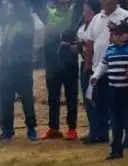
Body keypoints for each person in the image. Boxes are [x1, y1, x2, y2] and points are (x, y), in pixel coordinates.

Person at [90, 19, 128, 159]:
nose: (116, 37)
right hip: (114, 91)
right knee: (115, 122)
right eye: (113, 34)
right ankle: (116, 150)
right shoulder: (110, 50)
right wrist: (95, 76)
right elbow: (103, 65)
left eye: (119, 34)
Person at [84, 0, 128, 144]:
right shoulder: (96, 18)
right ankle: (102, 134)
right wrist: (88, 63)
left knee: (119, 103)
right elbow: (90, 41)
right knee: (100, 102)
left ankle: (124, 136)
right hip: (99, 68)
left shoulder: (125, 15)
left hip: (118, 68)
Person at [39, 0, 84, 141]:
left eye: (66, 2)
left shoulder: (74, 15)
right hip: (52, 65)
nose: (63, 5)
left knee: (71, 97)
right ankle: (53, 128)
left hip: (70, 64)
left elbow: (80, 4)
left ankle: (72, 128)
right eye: (60, 2)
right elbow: (36, 4)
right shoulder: (48, 15)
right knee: (53, 98)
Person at [0, 0, 39, 141]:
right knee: (6, 100)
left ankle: (31, 129)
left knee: (27, 99)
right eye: (8, 9)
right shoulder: (7, 25)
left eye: (11, 9)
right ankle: (8, 130)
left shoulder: (26, 22)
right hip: (7, 68)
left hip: (22, 68)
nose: (9, 12)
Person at [78, 0, 101, 142]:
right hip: (83, 63)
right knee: (87, 98)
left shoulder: (97, 26)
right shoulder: (82, 26)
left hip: (94, 65)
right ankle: (93, 128)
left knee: (95, 98)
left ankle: (98, 130)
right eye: (84, 11)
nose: (85, 14)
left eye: (88, 11)